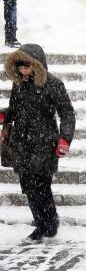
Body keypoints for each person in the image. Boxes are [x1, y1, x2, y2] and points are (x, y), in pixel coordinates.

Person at [0, 44, 75, 241]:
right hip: (22, 144)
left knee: (41, 185)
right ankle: (41, 224)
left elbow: (67, 114)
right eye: (20, 68)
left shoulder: (53, 84)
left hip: (44, 144)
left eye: (27, 67)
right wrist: (3, 117)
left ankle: (49, 223)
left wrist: (65, 138)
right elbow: (14, 110)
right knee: (28, 186)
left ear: (37, 65)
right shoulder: (19, 84)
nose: (23, 71)